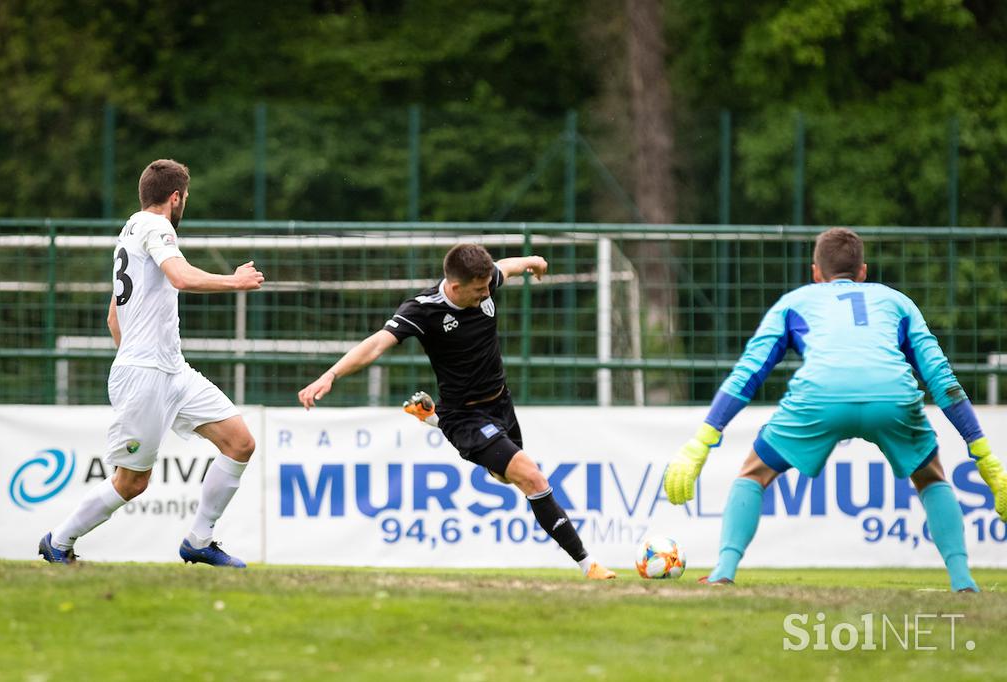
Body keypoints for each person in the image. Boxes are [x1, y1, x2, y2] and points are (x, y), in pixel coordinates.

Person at [664, 227, 1007, 591]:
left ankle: (723, 572)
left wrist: (702, 440)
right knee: (931, 477)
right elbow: (942, 379)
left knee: (754, 473)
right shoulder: (897, 302)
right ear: (863, 271)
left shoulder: (794, 303)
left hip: (819, 397)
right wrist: (983, 454)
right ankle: (963, 580)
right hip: (890, 397)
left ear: (816, 273)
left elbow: (747, 373)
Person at [298, 243, 616, 579]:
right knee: (532, 477)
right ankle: (588, 564)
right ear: (455, 286)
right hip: (466, 416)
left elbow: (504, 267)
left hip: (501, 403)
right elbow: (377, 343)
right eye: (478, 290)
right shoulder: (423, 309)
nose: (486, 293)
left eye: (487, 287)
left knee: (504, 477)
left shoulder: (485, 280)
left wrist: (532, 261)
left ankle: (433, 419)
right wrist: (331, 374)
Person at [39, 159, 265, 567]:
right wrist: (236, 281)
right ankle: (58, 540)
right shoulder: (157, 226)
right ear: (175, 197)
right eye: (185, 200)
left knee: (240, 443)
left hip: (172, 370)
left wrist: (140, 356)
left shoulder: (128, 233)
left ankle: (199, 538)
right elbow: (180, 277)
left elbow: (114, 317)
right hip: (146, 374)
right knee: (132, 482)